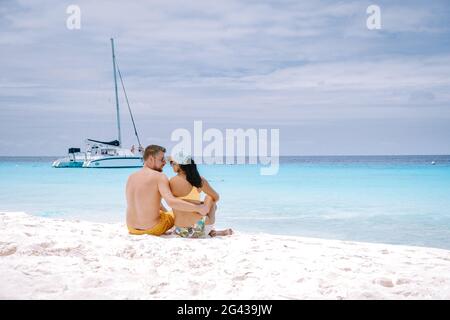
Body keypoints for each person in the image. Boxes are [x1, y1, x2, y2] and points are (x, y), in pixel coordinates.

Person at [125, 145, 209, 236]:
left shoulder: (131, 177)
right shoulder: (159, 176)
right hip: (152, 229)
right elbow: (172, 202)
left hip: (131, 228)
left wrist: (166, 213)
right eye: (161, 159)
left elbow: (148, 202)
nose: (165, 162)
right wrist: (198, 208)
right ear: (151, 159)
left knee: (165, 212)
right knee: (179, 212)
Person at [169, 152, 233, 238]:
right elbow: (216, 197)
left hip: (180, 231)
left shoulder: (170, 181)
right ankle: (212, 231)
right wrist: (205, 204)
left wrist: (198, 204)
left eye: (172, 163)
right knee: (210, 197)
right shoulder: (199, 180)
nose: (171, 165)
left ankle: (214, 232)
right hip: (200, 229)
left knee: (203, 203)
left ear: (180, 164)